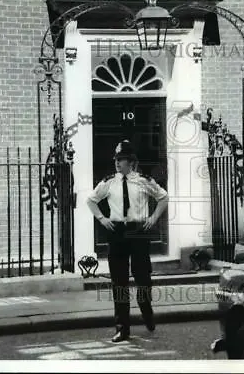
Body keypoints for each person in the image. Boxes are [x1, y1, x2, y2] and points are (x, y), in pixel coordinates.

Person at [87, 139, 168, 342]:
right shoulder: (109, 182)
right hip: (117, 232)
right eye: (116, 159)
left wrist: (153, 218)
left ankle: (146, 310)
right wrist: (102, 219)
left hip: (139, 231)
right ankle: (122, 328)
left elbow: (163, 197)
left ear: (131, 162)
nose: (117, 163)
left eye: (121, 159)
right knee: (119, 282)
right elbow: (91, 200)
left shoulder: (143, 180)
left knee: (143, 277)